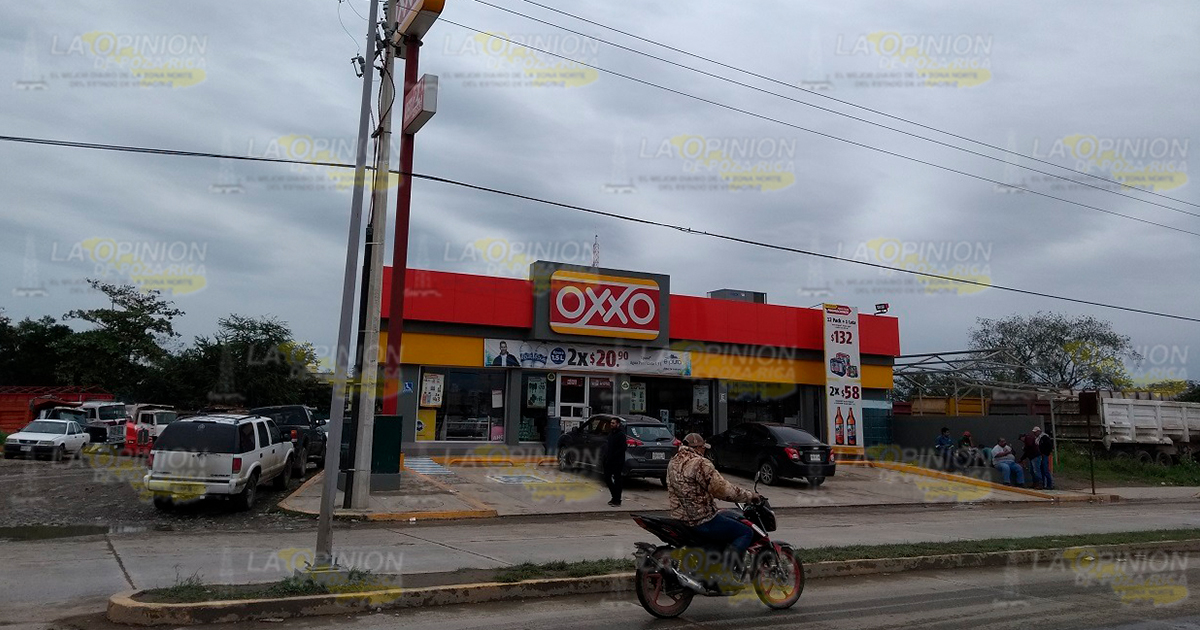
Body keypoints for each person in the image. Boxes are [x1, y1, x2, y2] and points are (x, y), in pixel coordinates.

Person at [667, 433, 762, 571]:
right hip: (701, 520)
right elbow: (723, 490)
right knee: (745, 532)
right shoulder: (700, 463)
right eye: (703, 448)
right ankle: (725, 572)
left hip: (680, 518)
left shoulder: (673, 462)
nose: (705, 451)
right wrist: (749, 496)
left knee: (725, 519)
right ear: (698, 447)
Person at [603, 418, 627, 507]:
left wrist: (614, 456)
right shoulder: (610, 435)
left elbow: (623, 448)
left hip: (617, 461)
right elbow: (607, 447)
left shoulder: (621, 435)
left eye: (613, 423)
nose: (611, 424)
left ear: (618, 424)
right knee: (607, 478)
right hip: (609, 460)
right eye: (611, 423)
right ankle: (614, 496)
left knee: (617, 480)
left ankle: (617, 499)